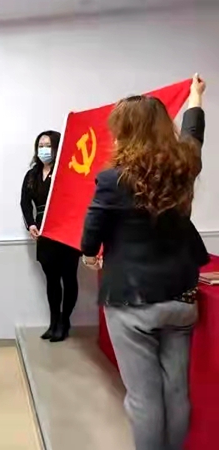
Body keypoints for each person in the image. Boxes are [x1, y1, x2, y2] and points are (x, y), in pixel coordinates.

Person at [81, 74, 207, 450]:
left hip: (132, 301)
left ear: (126, 131)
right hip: (181, 299)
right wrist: (196, 96)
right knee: (176, 392)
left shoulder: (112, 179)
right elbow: (194, 133)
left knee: (143, 398)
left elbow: (92, 233)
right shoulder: (185, 165)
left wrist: (89, 254)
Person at [21, 131, 81, 342]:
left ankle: (65, 321)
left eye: (48, 145)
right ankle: (54, 322)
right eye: (40, 145)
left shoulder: (67, 171)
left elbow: (77, 200)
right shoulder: (31, 175)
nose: (43, 149)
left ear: (57, 147)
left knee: (69, 277)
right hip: (44, 232)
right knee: (52, 279)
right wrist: (31, 224)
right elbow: (24, 203)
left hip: (66, 232)